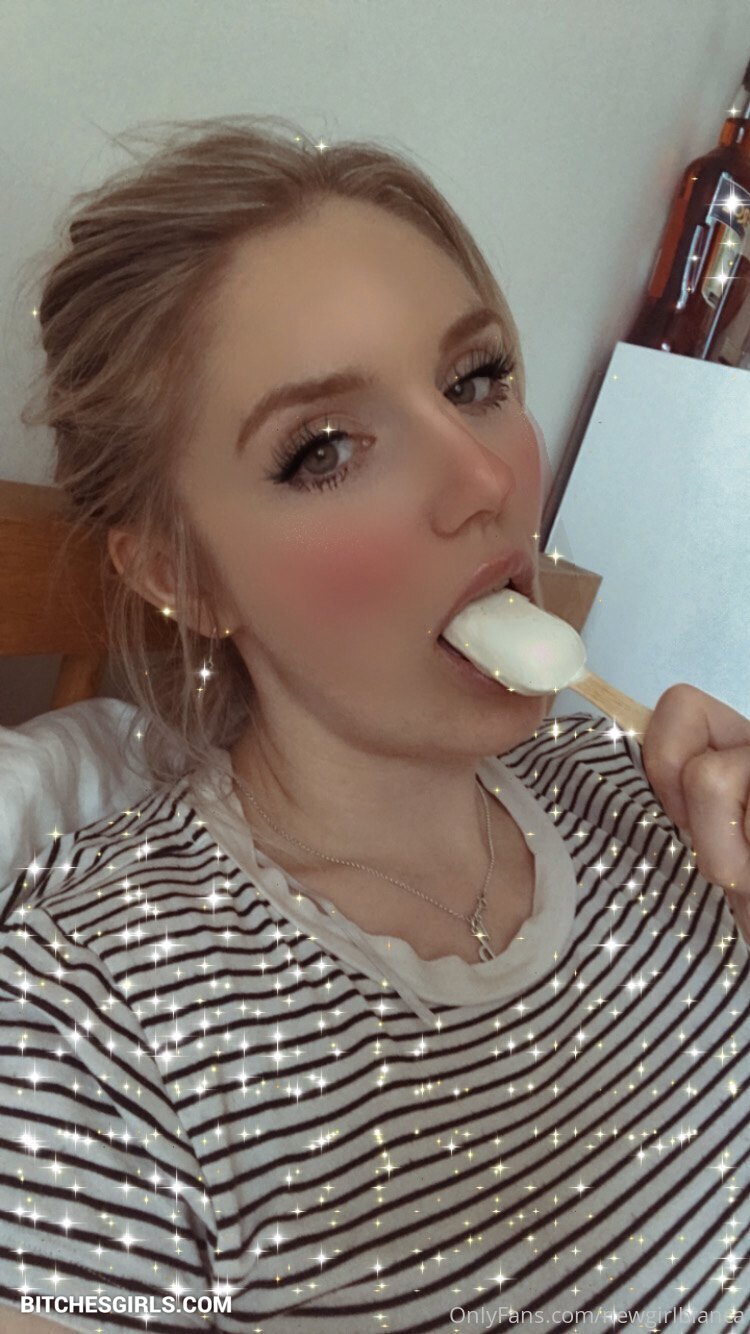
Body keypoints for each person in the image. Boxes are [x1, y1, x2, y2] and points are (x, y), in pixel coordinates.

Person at [1, 115, 748, 1334]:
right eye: (325, 450)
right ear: (185, 576)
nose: (486, 478)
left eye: (476, 380)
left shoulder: (658, 798)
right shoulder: (89, 1023)